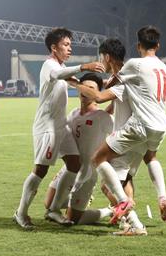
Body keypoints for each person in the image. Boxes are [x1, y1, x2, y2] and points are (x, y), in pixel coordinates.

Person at [76, 37, 166, 235]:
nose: (101, 60)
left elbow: (100, 97)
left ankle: (133, 222)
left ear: (107, 57)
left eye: (102, 56)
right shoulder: (131, 77)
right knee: (125, 180)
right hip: (141, 140)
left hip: (128, 139)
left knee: (106, 182)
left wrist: (73, 82)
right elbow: (114, 105)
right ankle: (129, 217)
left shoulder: (123, 79)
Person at [13, 27, 104, 230]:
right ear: (54, 48)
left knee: (74, 163)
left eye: (70, 45)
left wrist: (105, 83)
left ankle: (53, 209)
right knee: (40, 170)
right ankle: (21, 213)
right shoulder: (49, 65)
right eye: (65, 45)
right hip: (47, 128)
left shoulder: (61, 68)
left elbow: (78, 83)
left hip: (60, 126)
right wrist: (84, 65)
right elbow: (59, 74)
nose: (69, 48)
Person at [44, 73, 114, 225]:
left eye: (91, 88)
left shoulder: (103, 117)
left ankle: (109, 211)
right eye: (84, 87)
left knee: (73, 219)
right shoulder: (73, 114)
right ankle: (75, 201)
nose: (86, 91)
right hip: (69, 169)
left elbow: (118, 138)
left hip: (87, 172)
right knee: (48, 204)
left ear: (97, 93)